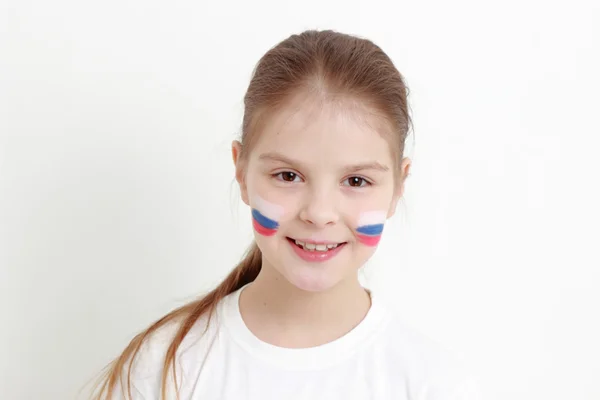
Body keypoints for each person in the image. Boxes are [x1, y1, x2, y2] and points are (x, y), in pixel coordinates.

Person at [89, 29, 481, 400]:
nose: (319, 213)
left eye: (357, 181)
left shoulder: (434, 383)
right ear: (241, 171)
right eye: (288, 175)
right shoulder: (166, 367)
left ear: (398, 186)